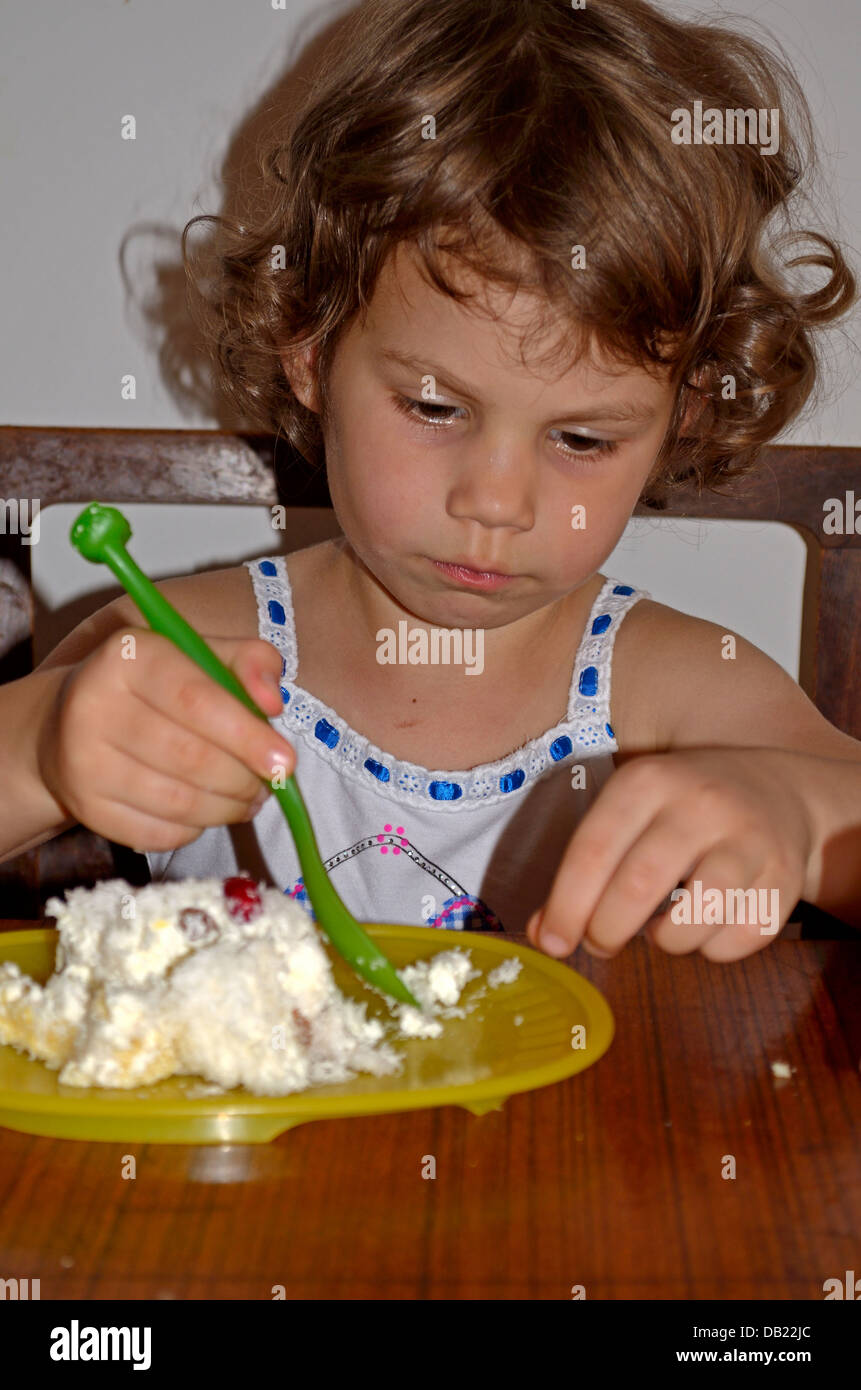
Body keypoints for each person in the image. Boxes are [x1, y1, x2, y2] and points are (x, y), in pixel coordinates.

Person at [3, 0, 860, 959]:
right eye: (436, 409)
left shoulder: (674, 689)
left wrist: (801, 812)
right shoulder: (176, 644)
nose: (496, 502)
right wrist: (41, 749)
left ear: (681, 421)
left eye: (579, 437)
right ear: (311, 356)